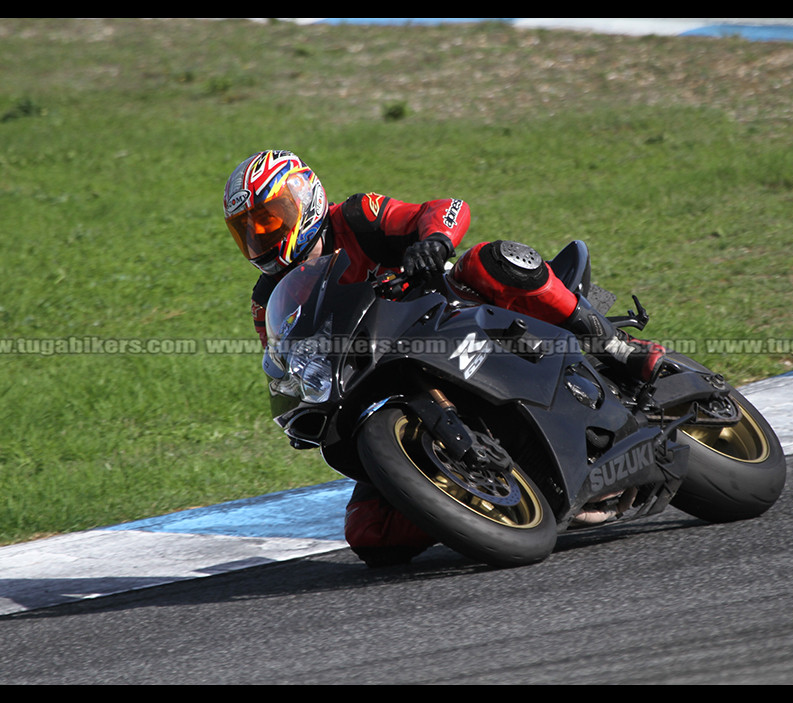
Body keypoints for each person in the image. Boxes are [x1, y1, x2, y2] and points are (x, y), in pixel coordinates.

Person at [223, 149, 665, 567]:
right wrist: (296, 395)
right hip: (377, 374)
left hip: (450, 314)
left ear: (305, 197)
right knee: (369, 535)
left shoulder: (356, 216)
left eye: (267, 219)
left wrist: (433, 241)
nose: (260, 236)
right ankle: (473, 501)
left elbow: (445, 208)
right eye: (246, 230)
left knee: (489, 259)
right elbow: (285, 357)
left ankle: (616, 347)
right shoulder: (268, 300)